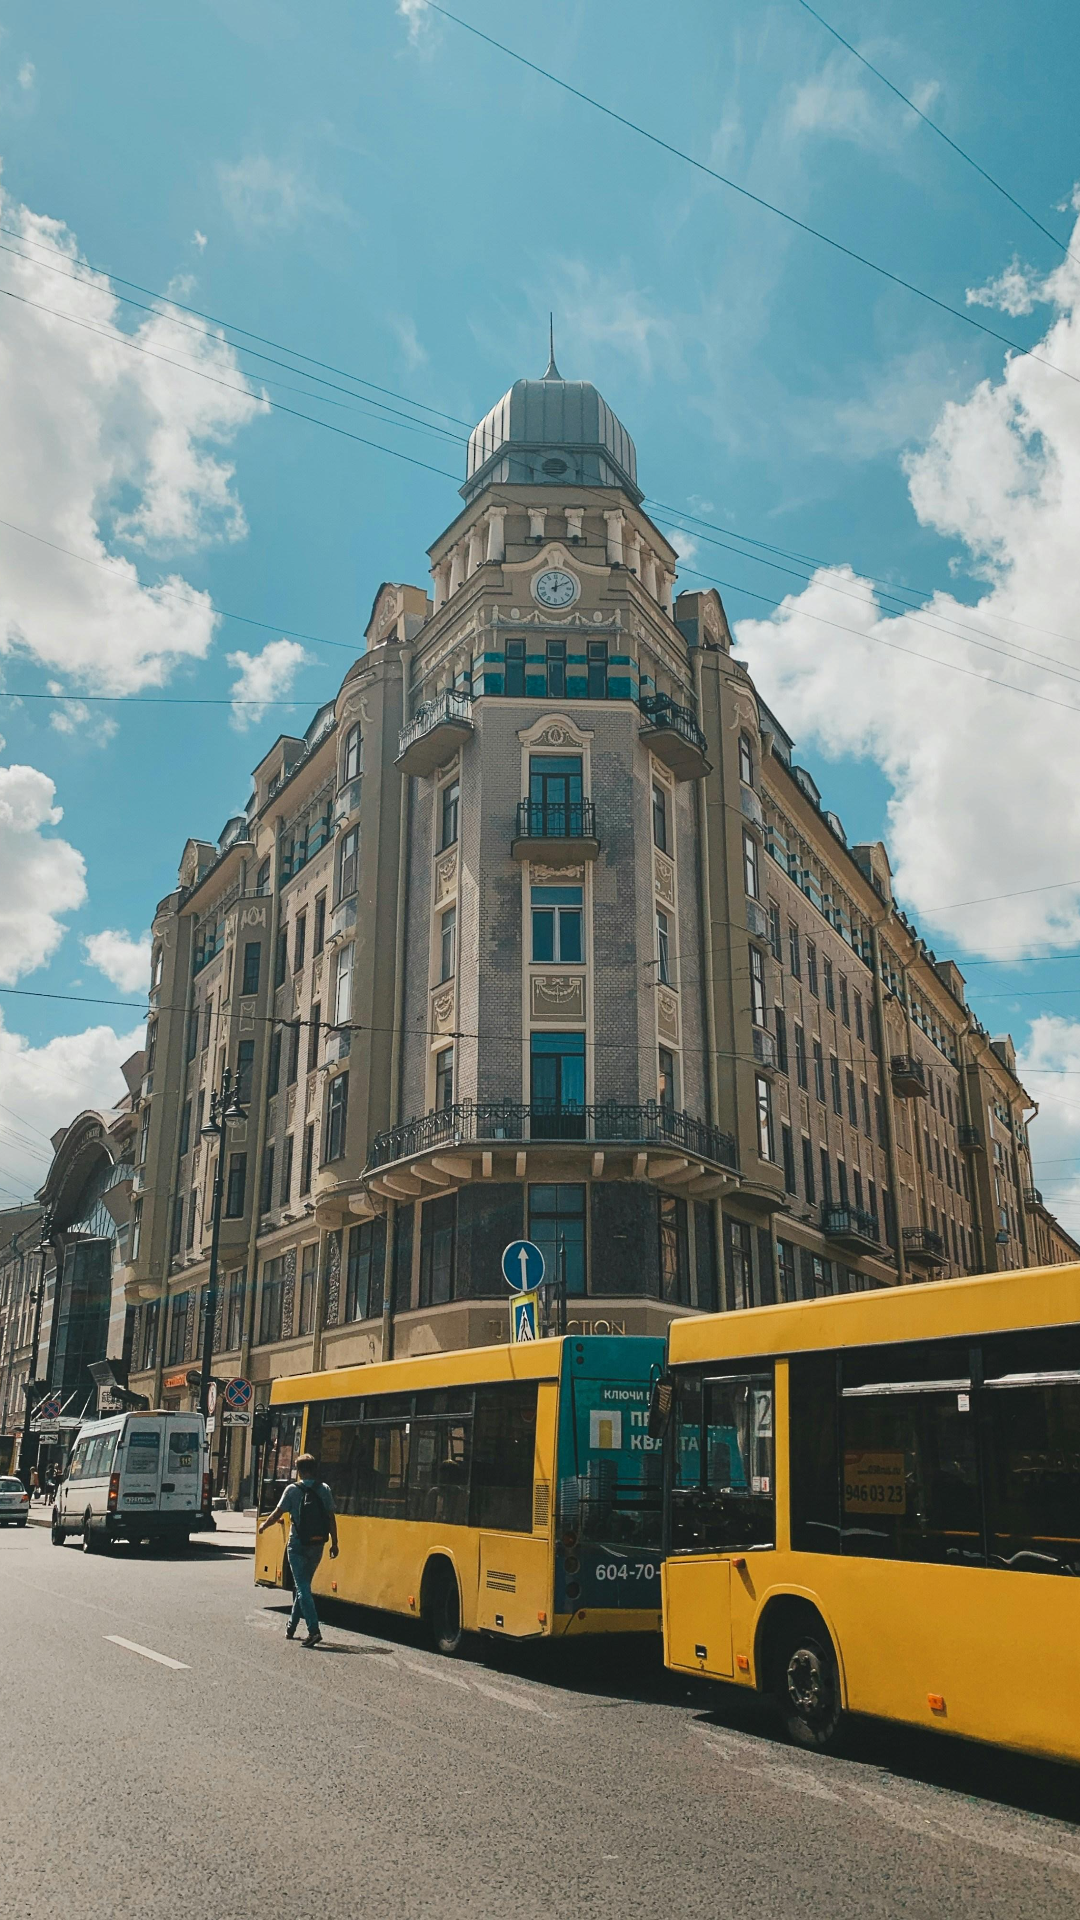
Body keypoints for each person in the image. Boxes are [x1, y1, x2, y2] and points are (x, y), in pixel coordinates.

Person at [258, 1453, 338, 1648]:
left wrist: (263, 1526)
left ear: (299, 1471)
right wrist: (335, 1542)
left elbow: (277, 1513)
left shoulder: (292, 1490)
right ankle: (291, 1627)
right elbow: (331, 1518)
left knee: (302, 1587)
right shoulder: (324, 1489)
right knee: (303, 1586)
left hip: (297, 1544)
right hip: (317, 1544)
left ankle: (313, 1630)